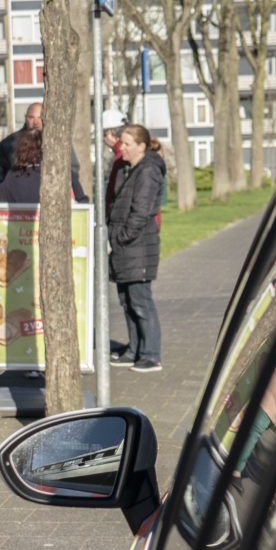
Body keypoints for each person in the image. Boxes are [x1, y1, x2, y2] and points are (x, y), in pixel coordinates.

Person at [108, 124, 167, 372]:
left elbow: (141, 210)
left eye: (128, 144)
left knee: (141, 300)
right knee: (126, 300)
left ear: (142, 147)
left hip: (137, 245)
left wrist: (122, 235)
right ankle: (134, 349)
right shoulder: (126, 169)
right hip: (124, 246)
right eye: (121, 143)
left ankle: (151, 354)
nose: (122, 148)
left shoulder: (148, 171)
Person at [0, 102, 42, 195]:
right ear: (25, 117)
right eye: (31, 117)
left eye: (40, 117)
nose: (36, 122)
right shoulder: (10, 143)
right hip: (16, 202)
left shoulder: (56, 144)